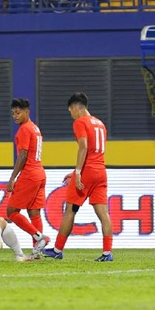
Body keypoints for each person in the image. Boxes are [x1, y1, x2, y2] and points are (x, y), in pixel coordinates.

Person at [42, 92, 113, 261]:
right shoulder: (100, 124)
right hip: (101, 172)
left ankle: (57, 250)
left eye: (70, 111)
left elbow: (84, 147)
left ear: (76, 107)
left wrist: (79, 172)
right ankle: (107, 253)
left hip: (87, 172)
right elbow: (95, 152)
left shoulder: (80, 122)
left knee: (70, 211)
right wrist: (75, 171)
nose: (71, 115)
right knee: (104, 214)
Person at [6, 98, 49, 259]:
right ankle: (37, 252)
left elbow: (23, 155)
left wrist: (12, 178)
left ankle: (39, 237)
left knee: (11, 211)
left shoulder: (24, 129)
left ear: (27, 112)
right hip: (40, 173)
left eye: (18, 113)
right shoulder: (35, 128)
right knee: (34, 212)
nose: (15, 116)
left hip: (30, 174)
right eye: (13, 113)